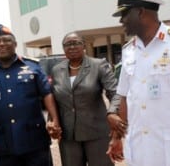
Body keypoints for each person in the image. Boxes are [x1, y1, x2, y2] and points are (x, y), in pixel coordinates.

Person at [107, 0, 170, 166]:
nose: (121, 21)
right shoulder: (129, 50)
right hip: (139, 149)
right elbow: (124, 96)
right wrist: (116, 137)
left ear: (140, 12)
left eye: (124, 14)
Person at [0, 24, 61, 166]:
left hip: (35, 140)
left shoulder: (33, 66)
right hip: (3, 143)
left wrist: (54, 120)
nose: (1, 44)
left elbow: (46, 93)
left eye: (6, 40)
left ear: (15, 44)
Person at [50, 31, 120, 166]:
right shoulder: (56, 70)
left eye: (76, 43)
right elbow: (55, 99)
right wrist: (53, 121)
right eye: (67, 44)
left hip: (97, 134)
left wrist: (112, 112)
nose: (71, 47)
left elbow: (115, 93)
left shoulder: (99, 65)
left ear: (84, 46)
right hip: (69, 137)